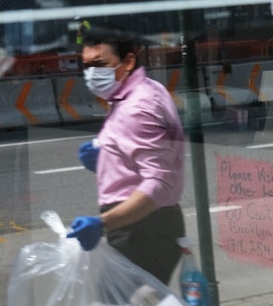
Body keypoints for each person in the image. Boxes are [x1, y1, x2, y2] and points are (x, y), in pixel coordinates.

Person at [65, 22, 186, 284]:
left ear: (128, 61)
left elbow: (160, 182)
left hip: (142, 229)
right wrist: (107, 159)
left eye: (100, 64)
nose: (91, 74)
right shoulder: (140, 93)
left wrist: (103, 223)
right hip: (145, 226)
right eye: (86, 66)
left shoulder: (136, 108)